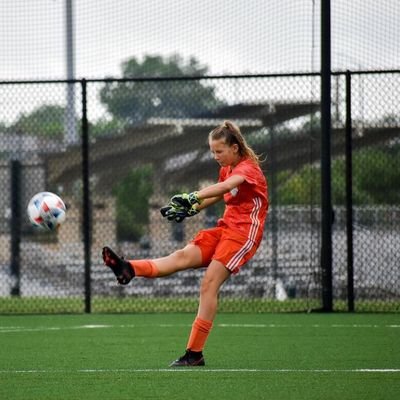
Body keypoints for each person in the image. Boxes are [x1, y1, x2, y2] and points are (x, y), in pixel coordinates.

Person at [102, 120, 269, 367]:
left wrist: (192, 196)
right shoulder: (227, 167)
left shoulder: (248, 168)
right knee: (182, 256)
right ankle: (129, 268)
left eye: (219, 151)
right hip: (225, 228)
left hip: (244, 234)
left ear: (235, 148)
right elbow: (219, 195)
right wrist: (191, 209)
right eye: (212, 152)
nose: (215, 156)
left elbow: (226, 186)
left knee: (209, 283)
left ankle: (194, 354)